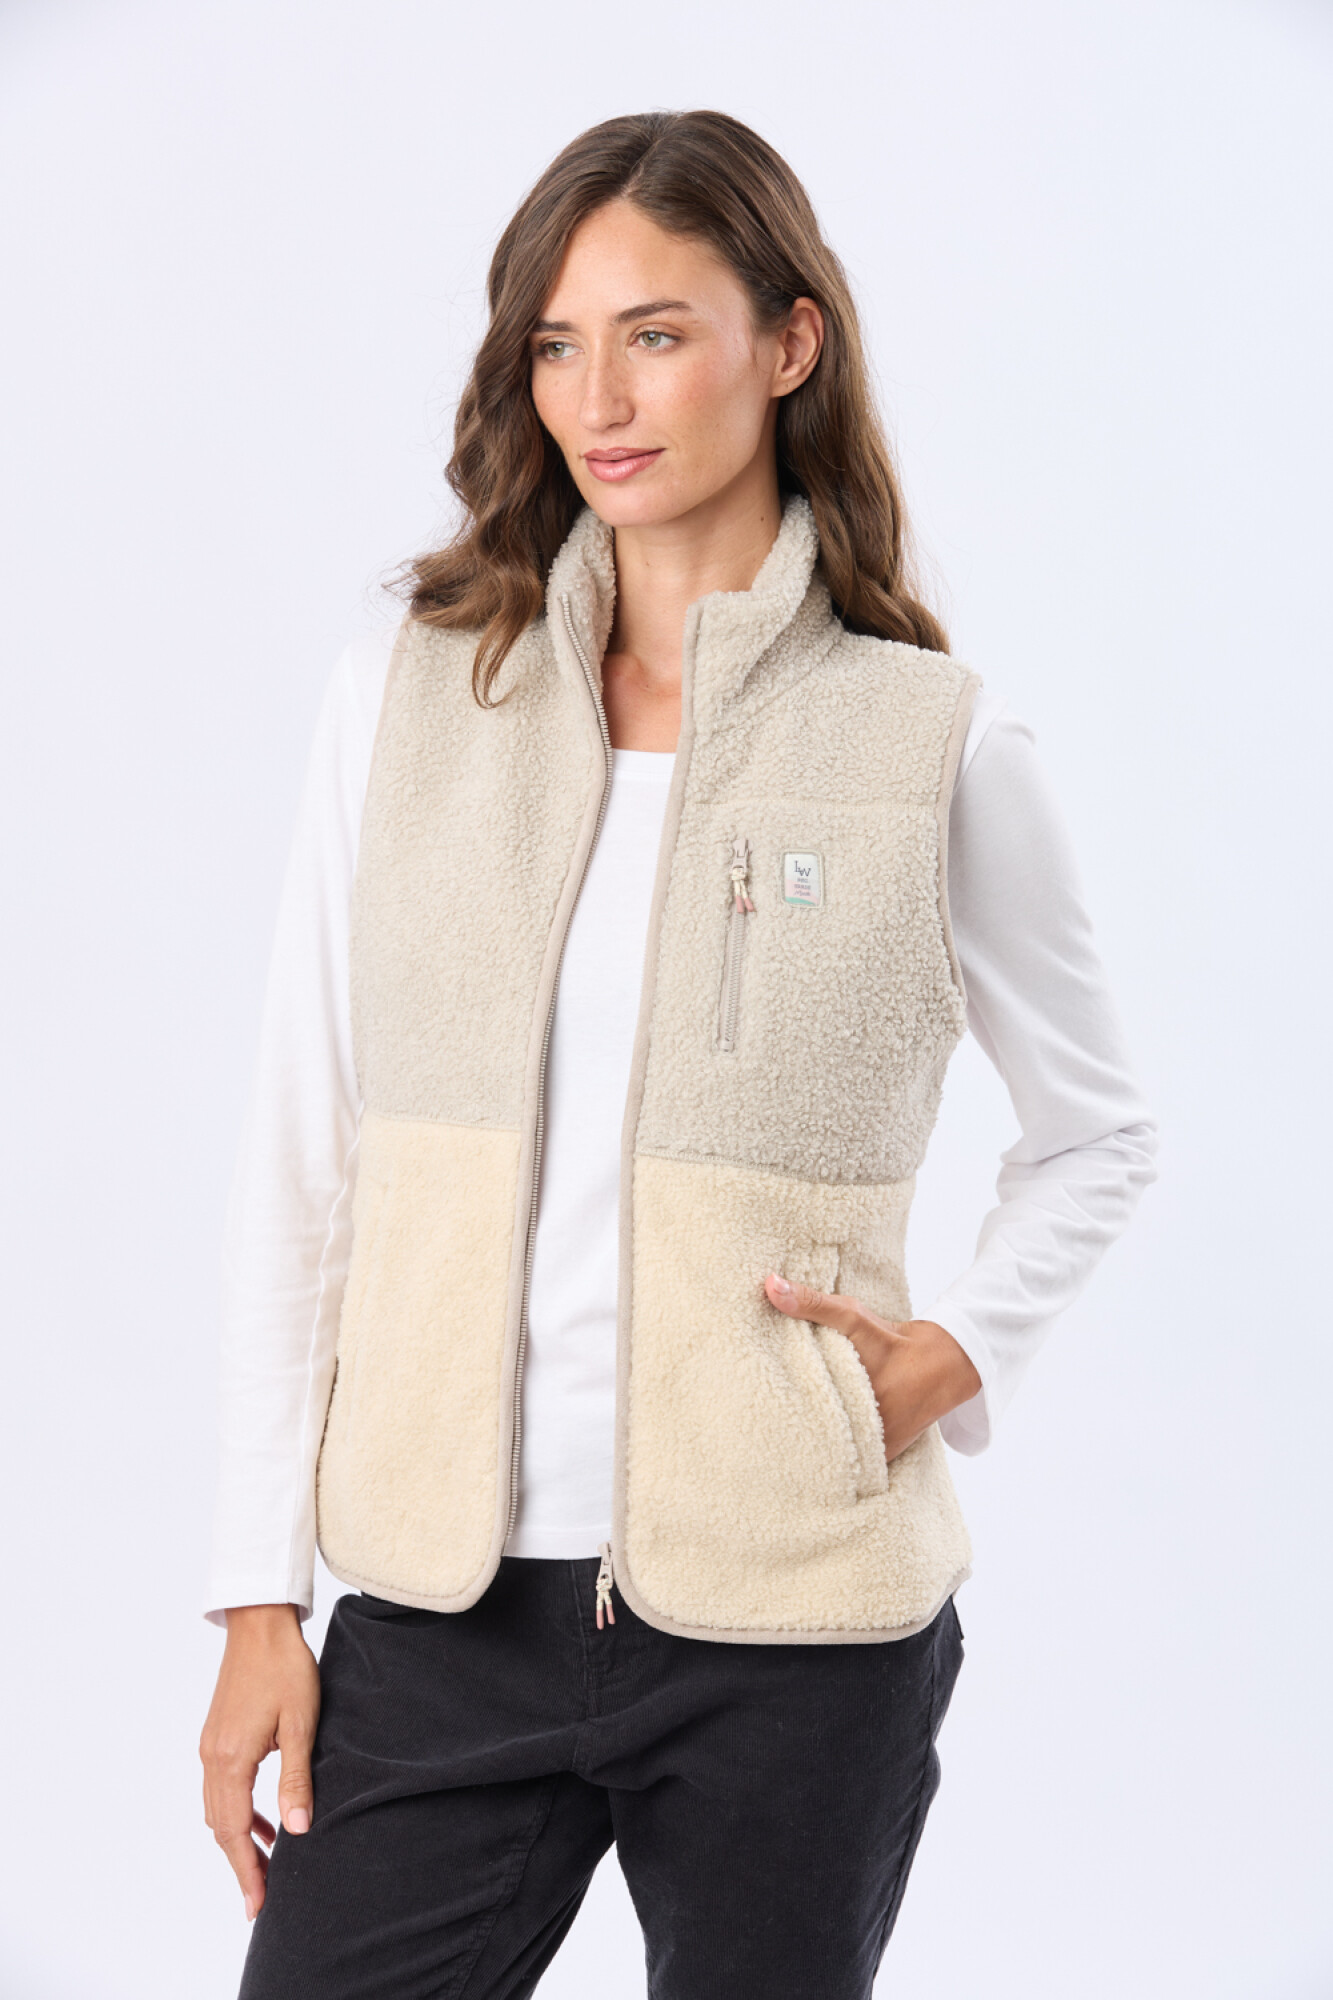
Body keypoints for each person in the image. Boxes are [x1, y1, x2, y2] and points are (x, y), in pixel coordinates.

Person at [200, 109, 1158, 1999]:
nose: (598, 398)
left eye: (656, 334)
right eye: (558, 344)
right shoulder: (407, 701)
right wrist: (255, 1594)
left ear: (788, 342)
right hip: (440, 1612)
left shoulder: (933, 744)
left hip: (795, 1628)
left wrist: (947, 1358)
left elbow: (1099, 1135)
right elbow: (306, 1157)